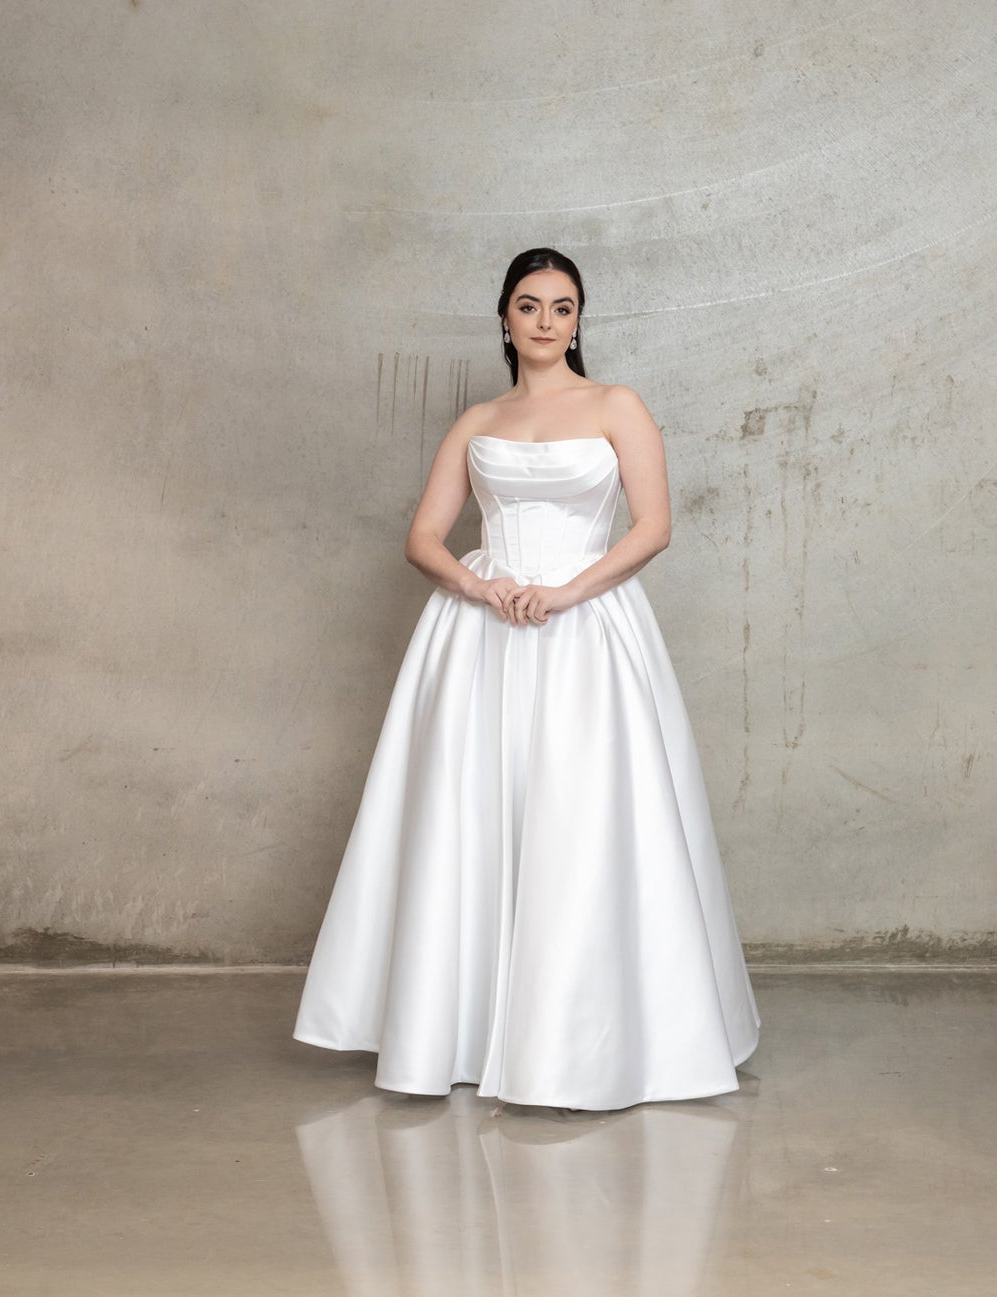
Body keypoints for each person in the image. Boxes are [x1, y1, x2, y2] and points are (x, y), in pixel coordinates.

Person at [292, 247, 760, 1111]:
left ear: (579, 322)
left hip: (587, 627)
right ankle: (469, 1030)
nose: (546, 321)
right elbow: (423, 537)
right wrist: (483, 588)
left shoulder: (618, 405)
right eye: (530, 305)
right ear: (505, 319)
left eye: (563, 306)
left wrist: (567, 593)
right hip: (482, 631)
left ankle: (581, 1044)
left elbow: (653, 526)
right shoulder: (477, 421)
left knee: (581, 817)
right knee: (473, 813)